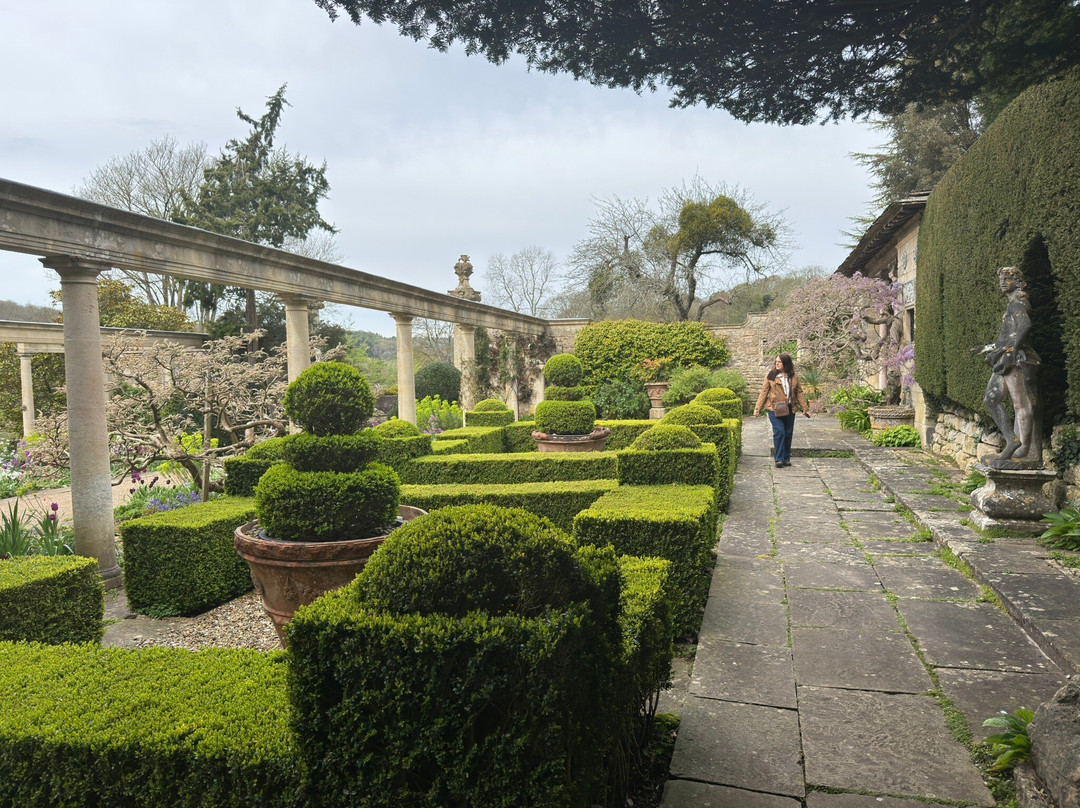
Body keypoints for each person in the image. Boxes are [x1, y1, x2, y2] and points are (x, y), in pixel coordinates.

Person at [971, 266, 1042, 468]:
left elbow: (1025, 326)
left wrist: (1013, 350)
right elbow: (1006, 338)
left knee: (1021, 404)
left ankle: (1024, 449)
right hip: (1005, 358)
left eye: (1007, 279)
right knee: (991, 400)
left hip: (1014, 359)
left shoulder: (1017, 303)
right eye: (1001, 279)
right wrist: (985, 348)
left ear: (1017, 282)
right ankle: (1012, 440)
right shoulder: (1013, 304)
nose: (1002, 283)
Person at [753, 353, 810, 468]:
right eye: (776, 362)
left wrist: (805, 408)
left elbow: (799, 393)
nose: (777, 363)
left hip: (789, 408)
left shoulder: (793, 377)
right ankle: (778, 459)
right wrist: (757, 408)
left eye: (779, 362)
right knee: (780, 431)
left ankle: (786, 458)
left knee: (788, 433)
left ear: (786, 363)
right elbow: (764, 392)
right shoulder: (771, 375)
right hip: (774, 409)